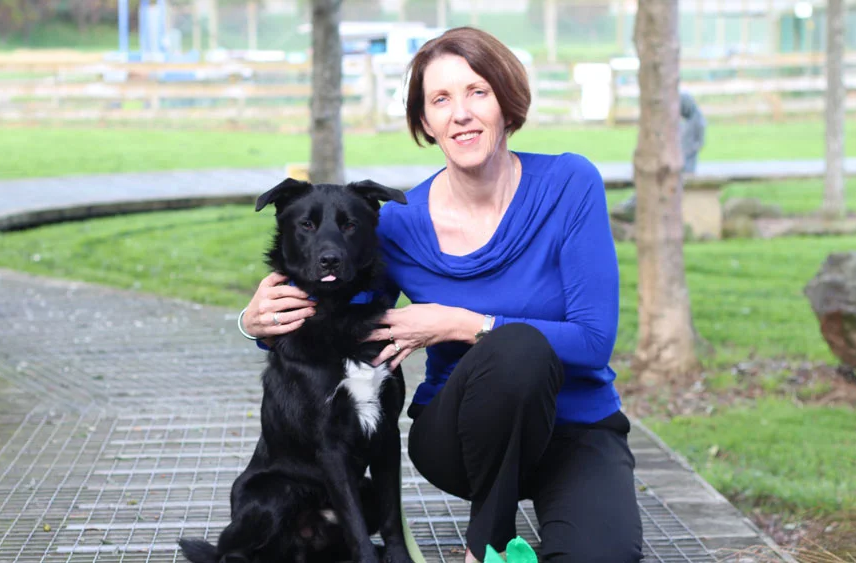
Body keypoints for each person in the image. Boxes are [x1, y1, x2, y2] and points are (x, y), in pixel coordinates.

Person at [239, 26, 643, 563]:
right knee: (516, 350)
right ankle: (487, 545)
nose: (461, 114)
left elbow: (593, 343)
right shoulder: (399, 223)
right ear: (425, 120)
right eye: (441, 99)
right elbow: (340, 313)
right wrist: (258, 323)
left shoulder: (569, 183)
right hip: (461, 438)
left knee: (602, 556)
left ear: (506, 101)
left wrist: (462, 323)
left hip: (576, 432)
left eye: (478, 92)